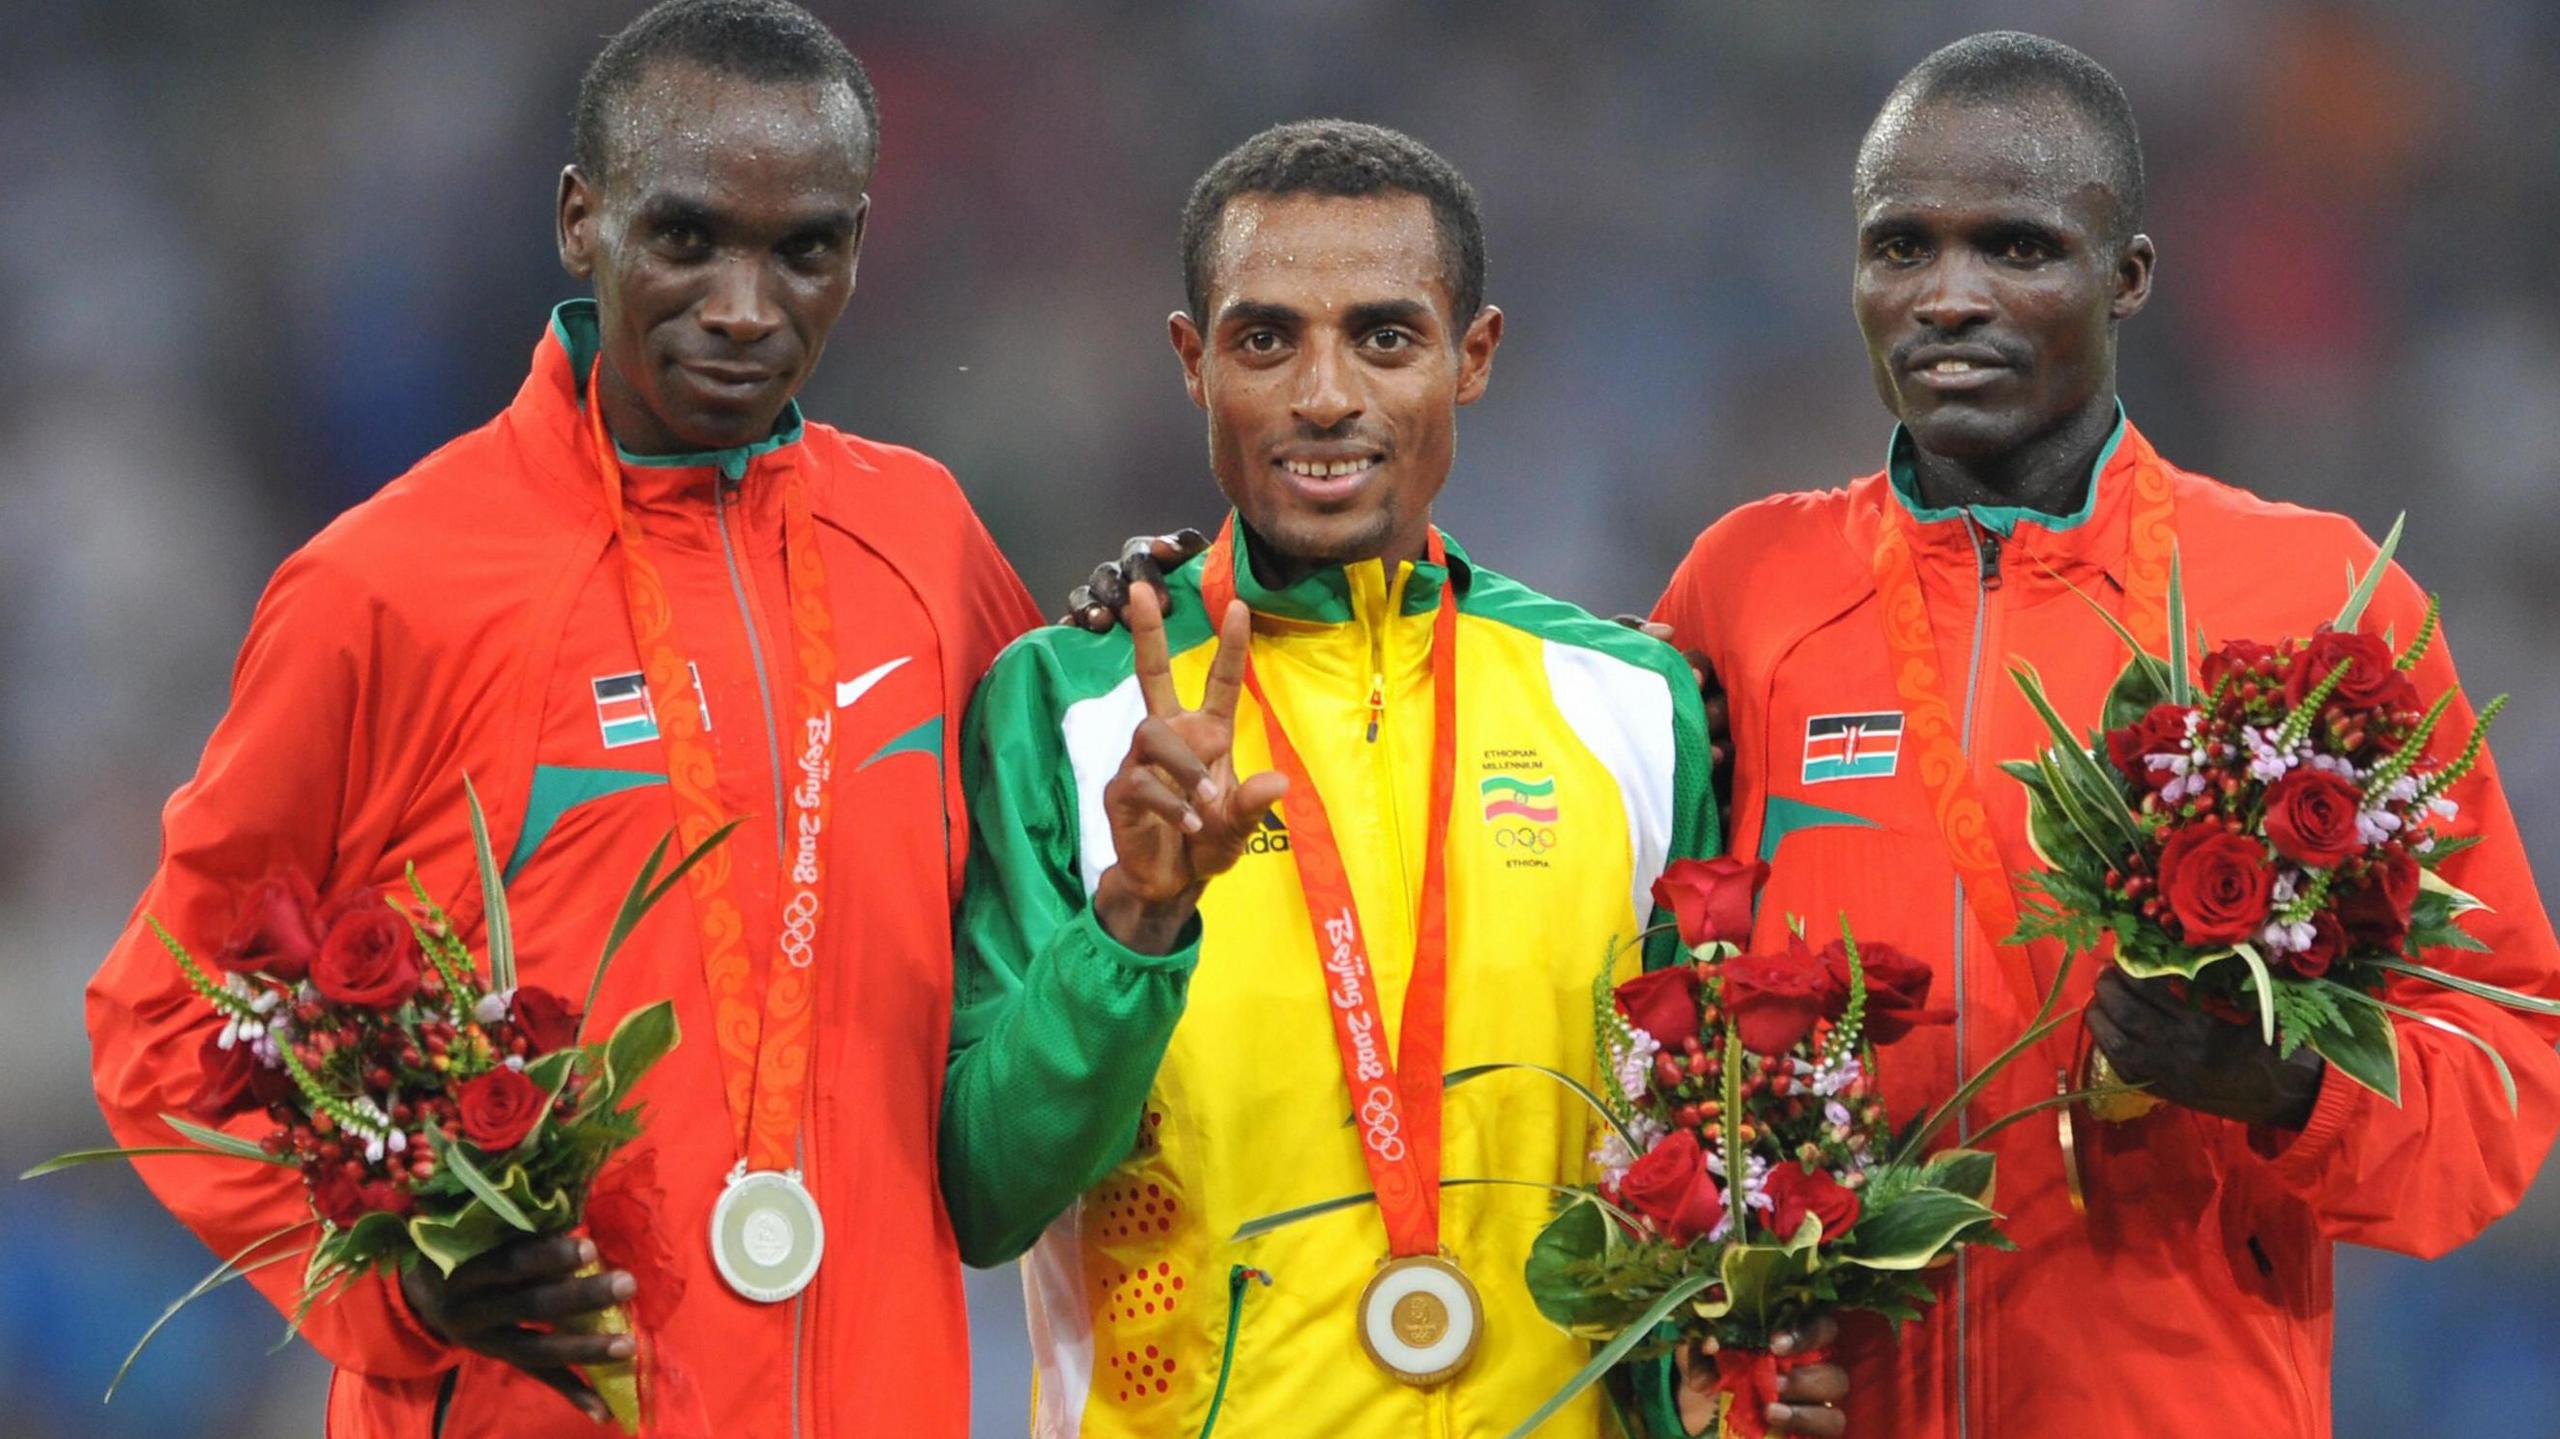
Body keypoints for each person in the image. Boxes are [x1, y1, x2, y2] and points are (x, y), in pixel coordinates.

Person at [82, 2, 1038, 1434]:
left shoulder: (926, 542)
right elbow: (163, 1016)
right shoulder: (388, 585)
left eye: (805, 250)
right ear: (580, 220)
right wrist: (399, 1288)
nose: (744, 305)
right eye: (687, 237)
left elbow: (1054, 901)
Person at [1643, 32, 2560, 1437]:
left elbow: (2504, 1056)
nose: (1948, 299)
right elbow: (1638, 1021)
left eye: (2016, 247)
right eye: (1901, 248)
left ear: (2128, 275)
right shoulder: (1746, 587)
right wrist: (1705, 1352)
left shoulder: (2316, 601)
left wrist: (2285, 1089)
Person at [935, 120, 1845, 1439]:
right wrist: (1133, 923)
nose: (1323, 394)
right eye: (1265, 340)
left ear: (1471, 357)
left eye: (1383, 336)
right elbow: (986, 1191)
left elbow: (1689, 1178)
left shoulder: (1634, 707)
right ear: (1193, 364)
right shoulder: (1066, 711)